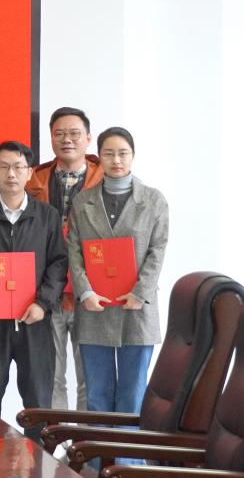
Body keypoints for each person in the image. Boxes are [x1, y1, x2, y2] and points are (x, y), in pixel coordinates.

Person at [0, 141, 67, 434]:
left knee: (38, 404)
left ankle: (39, 458)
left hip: (34, 322)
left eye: (18, 167)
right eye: (4, 167)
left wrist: (43, 303)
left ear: (29, 172)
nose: (11, 174)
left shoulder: (47, 215)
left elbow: (58, 263)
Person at [68, 127, 167, 415]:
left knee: (132, 395)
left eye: (123, 153)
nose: (116, 160)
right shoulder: (82, 201)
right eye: (108, 153)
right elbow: (74, 249)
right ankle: (97, 447)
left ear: (133, 155)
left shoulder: (153, 200)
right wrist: (84, 291)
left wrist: (140, 292)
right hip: (94, 306)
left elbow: (157, 249)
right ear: (99, 157)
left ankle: (126, 447)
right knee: (96, 395)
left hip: (136, 307)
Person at [26, 106, 103, 411]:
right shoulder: (34, 180)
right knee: (51, 377)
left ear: (88, 137)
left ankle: (86, 439)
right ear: (51, 138)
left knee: (90, 378)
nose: (66, 139)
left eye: (74, 133)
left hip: (91, 294)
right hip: (47, 292)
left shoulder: (105, 178)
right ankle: (55, 437)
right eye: (59, 134)